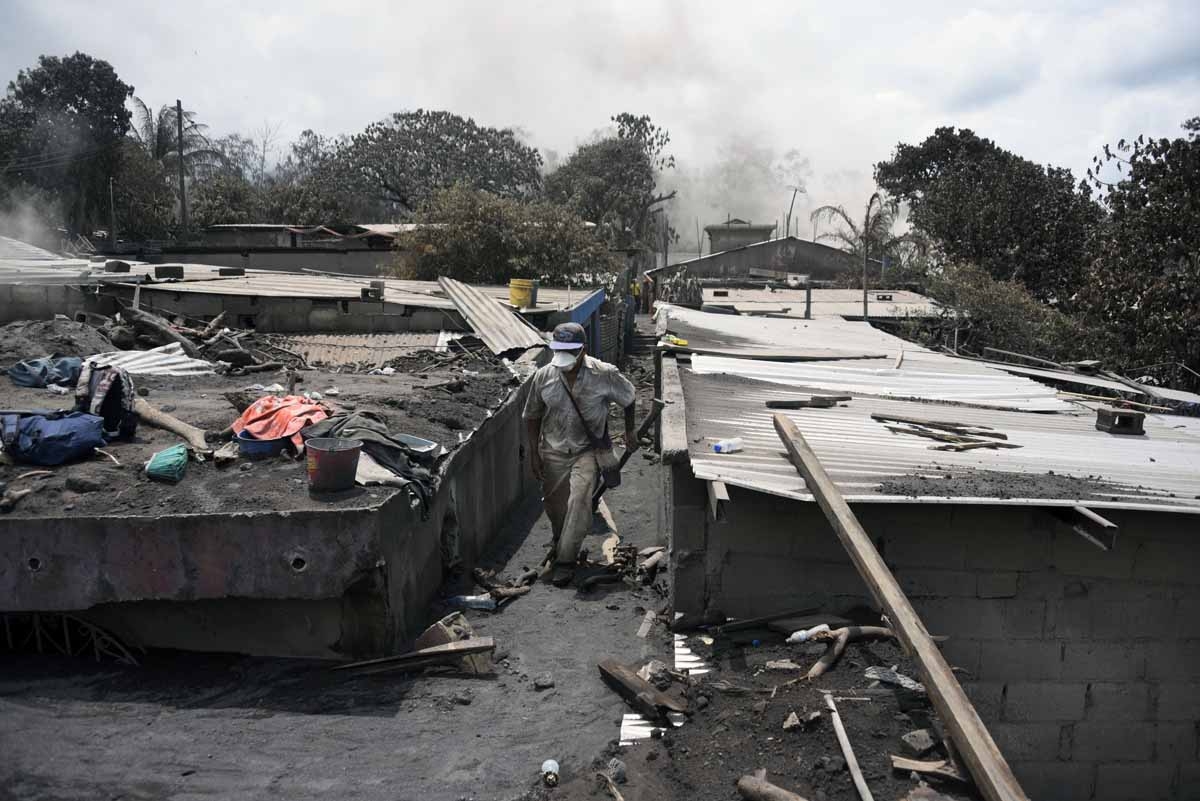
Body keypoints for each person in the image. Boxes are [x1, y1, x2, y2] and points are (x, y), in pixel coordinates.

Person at [523, 322, 636, 586]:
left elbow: (629, 398)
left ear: (583, 350)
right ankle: (560, 539)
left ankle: (565, 560)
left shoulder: (604, 374)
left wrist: (630, 432)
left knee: (579, 500)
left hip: (587, 451)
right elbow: (532, 415)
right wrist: (533, 452)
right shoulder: (544, 376)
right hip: (552, 450)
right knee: (555, 505)